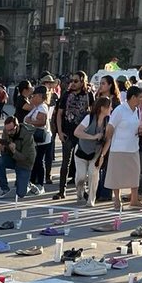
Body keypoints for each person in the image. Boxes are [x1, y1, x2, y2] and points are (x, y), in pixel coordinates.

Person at [99, 85, 142, 210]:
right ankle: (117, 200)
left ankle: (134, 200)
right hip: (119, 147)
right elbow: (110, 127)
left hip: (133, 147)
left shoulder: (137, 110)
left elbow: (135, 124)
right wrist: (109, 140)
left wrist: (139, 130)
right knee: (117, 175)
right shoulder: (120, 109)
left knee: (134, 174)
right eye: (140, 97)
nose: (141, 100)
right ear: (133, 97)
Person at [54, 72, 93, 200]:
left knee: (83, 163)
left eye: (76, 81)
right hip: (68, 133)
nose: (72, 83)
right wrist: (60, 132)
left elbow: (92, 114)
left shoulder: (89, 95)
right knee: (65, 162)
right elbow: (59, 114)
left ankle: (83, 190)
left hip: (82, 134)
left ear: (83, 82)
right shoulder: (66, 94)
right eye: (71, 81)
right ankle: (61, 190)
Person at [72, 97, 111, 205]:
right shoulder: (89, 118)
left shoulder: (108, 121)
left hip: (97, 152)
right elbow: (77, 132)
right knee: (81, 176)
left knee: (93, 173)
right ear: (103, 108)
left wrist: (102, 155)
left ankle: (91, 199)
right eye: (109, 106)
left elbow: (108, 140)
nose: (111, 108)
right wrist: (93, 137)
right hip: (82, 150)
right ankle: (80, 191)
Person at [0, 115, 35, 201]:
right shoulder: (6, 131)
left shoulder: (27, 135)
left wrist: (14, 151)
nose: (9, 132)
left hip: (25, 162)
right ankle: (5, 189)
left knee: (21, 194)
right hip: (12, 158)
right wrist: (3, 149)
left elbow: (24, 158)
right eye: (7, 130)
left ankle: (28, 184)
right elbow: (4, 153)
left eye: (11, 130)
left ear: (17, 127)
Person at [24, 86, 51, 192]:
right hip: (35, 138)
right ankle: (33, 182)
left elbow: (42, 122)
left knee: (39, 161)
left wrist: (29, 121)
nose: (32, 98)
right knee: (35, 161)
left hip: (42, 139)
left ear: (40, 96)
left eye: (34, 96)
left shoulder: (42, 107)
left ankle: (40, 183)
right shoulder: (37, 107)